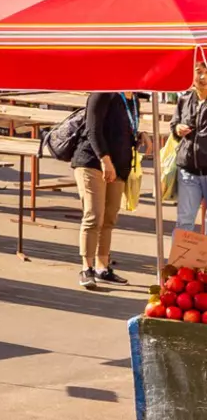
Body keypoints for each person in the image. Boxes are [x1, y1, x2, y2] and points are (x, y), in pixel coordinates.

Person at [73, 91, 136, 289]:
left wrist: (140, 136)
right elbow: (93, 130)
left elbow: (122, 130)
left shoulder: (132, 98)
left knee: (109, 218)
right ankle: (87, 268)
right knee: (94, 215)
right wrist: (105, 160)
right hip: (93, 162)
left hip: (119, 167)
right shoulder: (102, 93)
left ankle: (102, 267)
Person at [174, 60, 207, 232]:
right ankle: (180, 259)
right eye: (198, 71)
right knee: (185, 220)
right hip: (188, 171)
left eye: (206, 72)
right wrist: (177, 128)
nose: (202, 77)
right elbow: (174, 125)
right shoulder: (185, 99)